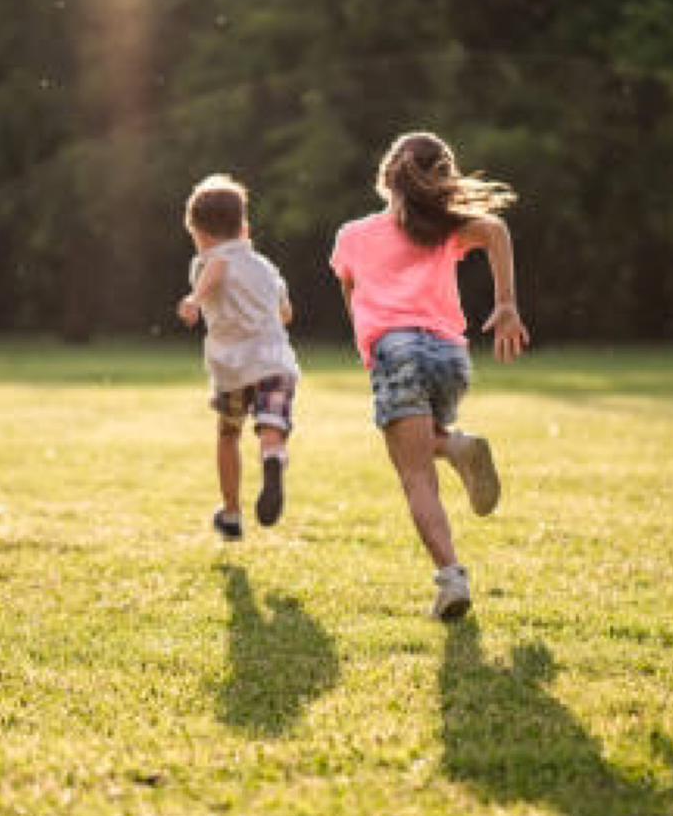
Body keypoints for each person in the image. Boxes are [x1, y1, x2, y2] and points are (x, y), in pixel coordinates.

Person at [330, 132, 530, 620]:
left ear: (386, 178)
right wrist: (505, 304)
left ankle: (451, 579)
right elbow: (497, 231)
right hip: (450, 355)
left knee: (415, 473)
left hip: (396, 351)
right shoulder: (446, 229)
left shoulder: (352, 236)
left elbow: (352, 298)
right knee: (425, 444)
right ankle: (456, 445)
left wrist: (371, 347)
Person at [176, 174, 300, 540]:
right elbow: (286, 313)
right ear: (245, 228)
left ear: (197, 232)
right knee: (271, 429)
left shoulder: (208, 261)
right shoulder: (266, 268)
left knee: (229, 435)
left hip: (233, 369)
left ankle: (231, 514)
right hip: (275, 361)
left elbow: (219, 266)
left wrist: (195, 300)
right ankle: (274, 460)